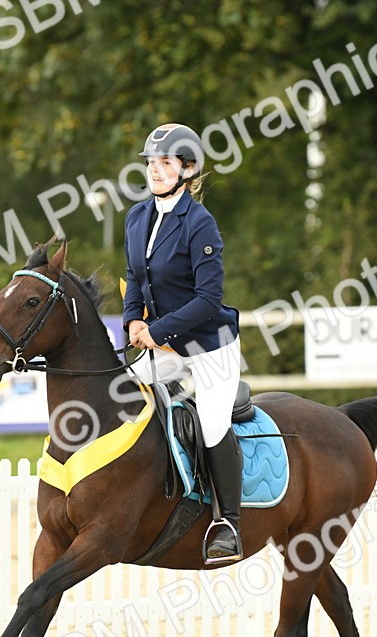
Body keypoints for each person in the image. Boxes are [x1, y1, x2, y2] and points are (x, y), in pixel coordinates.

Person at [123, 123, 244, 565]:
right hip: (164, 348)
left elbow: (209, 299)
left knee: (212, 423)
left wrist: (158, 332)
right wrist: (133, 319)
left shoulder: (200, 223)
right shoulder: (136, 218)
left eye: (165, 163)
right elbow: (135, 282)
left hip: (209, 348)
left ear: (187, 169)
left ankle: (227, 522)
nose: (155, 170)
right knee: (123, 397)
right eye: (151, 162)